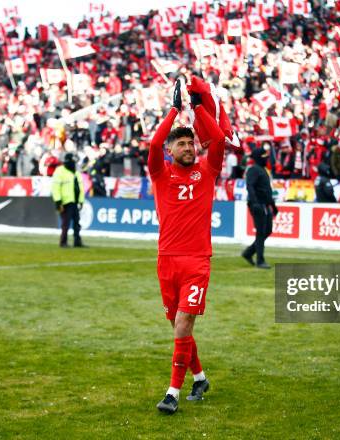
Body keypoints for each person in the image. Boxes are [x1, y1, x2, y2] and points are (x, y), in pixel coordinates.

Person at [148, 79, 225, 414]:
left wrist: (196, 109)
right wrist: (173, 111)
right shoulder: (160, 174)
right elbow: (152, 143)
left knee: (183, 326)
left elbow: (218, 138)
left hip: (196, 262)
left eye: (191, 142)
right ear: (170, 151)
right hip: (166, 261)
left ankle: (172, 394)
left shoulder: (207, 171)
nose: (188, 147)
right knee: (178, 328)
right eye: (180, 144)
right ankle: (200, 377)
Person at [241, 147, 278, 269]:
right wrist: (255, 202)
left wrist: (273, 206)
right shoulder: (253, 170)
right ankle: (260, 260)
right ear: (257, 158)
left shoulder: (262, 170)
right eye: (264, 157)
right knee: (261, 232)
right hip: (258, 204)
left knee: (267, 231)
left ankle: (249, 252)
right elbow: (250, 186)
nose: (266, 159)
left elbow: (268, 191)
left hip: (265, 204)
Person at [52, 153, 85, 248]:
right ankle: (63, 242)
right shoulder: (60, 171)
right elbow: (56, 188)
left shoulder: (76, 173)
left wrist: (81, 200)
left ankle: (77, 241)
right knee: (65, 223)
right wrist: (58, 202)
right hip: (65, 201)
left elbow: (80, 188)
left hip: (75, 201)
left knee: (76, 223)